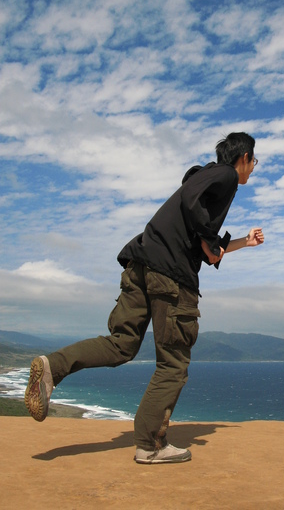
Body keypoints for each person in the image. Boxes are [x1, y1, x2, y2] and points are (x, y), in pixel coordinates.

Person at [25, 132, 264, 464]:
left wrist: (243, 242)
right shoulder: (223, 175)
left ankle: (54, 367)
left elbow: (208, 253)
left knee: (121, 343)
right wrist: (210, 234)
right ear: (242, 159)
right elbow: (193, 202)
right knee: (174, 364)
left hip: (141, 264)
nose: (253, 168)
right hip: (170, 278)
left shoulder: (200, 192)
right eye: (253, 161)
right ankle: (150, 445)